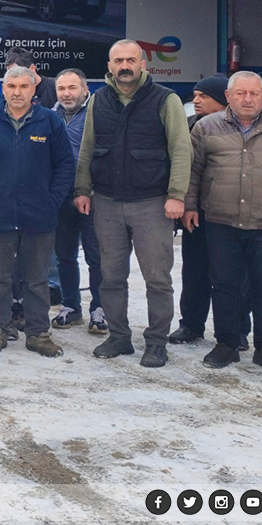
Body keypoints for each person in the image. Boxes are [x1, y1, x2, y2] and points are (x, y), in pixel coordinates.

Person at [74, 39, 192, 368]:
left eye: (131, 60)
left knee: (157, 278)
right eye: (118, 61)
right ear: (110, 66)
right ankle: (119, 337)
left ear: (143, 64)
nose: (124, 66)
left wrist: (176, 195)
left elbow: (182, 150)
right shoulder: (100, 99)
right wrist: (82, 188)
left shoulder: (165, 100)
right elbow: (87, 147)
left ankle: (156, 342)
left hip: (152, 204)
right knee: (110, 276)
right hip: (107, 203)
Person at [185, 70, 262, 375]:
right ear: (228, 96)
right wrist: (190, 205)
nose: (247, 99)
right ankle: (226, 344)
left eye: (254, 94)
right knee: (223, 285)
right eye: (240, 93)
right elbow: (193, 170)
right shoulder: (207, 128)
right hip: (221, 221)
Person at [0, 66, 74, 358]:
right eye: (11, 86)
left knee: (36, 278)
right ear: (4, 89)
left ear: (33, 89)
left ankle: (38, 333)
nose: (16, 92)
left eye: (23, 87)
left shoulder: (49, 122)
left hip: (39, 215)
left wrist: (52, 200)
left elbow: (65, 165)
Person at [169, 74, 230, 345]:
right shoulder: (188, 126)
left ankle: (234, 331)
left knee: (230, 275)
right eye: (195, 95)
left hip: (230, 213)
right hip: (195, 212)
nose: (196, 100)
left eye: (203, 96)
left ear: (222, 99)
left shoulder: (236, 128)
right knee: (194, 272)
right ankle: (191, 325)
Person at [52, 68, 103, 333]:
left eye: (72, 88)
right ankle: (71, 306)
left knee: (96, 256)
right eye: (61, 88)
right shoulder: (50, 116)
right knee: (65, 256)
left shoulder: (98, 115)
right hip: (61, 198)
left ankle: (100, 308)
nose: (66, 93)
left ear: (85, 89)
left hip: (92, 197)